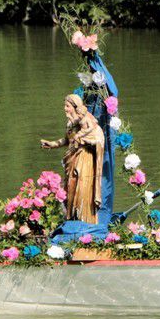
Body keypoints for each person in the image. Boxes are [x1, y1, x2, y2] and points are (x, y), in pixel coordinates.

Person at [40, 94, 105, 223]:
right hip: (71, 159)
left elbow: (98, 138)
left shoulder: (87, 121)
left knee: (82, 189)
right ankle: (72, 219)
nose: (65, 109)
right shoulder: (71, 124)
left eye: (67, 106)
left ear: (75, 107)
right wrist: (52, 144)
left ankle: (86, 221)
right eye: (65, 106)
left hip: (84, 160)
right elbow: (67, 139)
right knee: (70, 188)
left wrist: (83, 140)